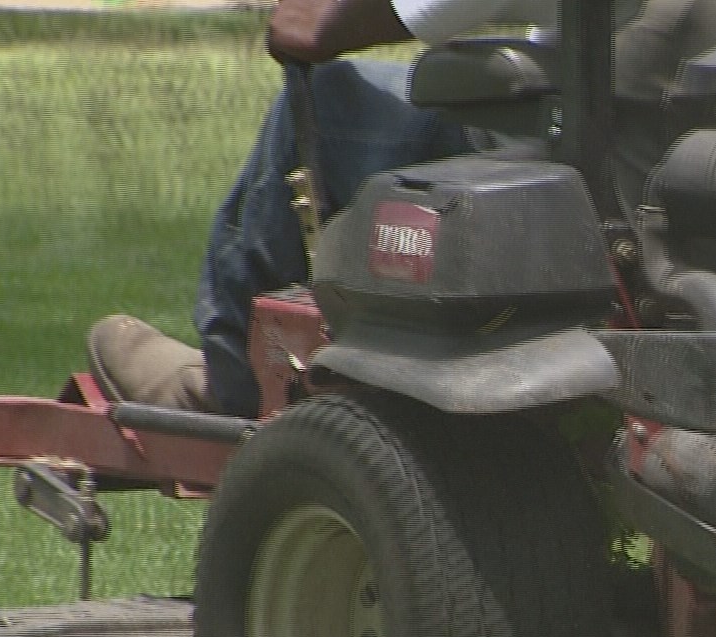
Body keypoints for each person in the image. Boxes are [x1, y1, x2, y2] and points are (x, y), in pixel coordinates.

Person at [87, 0, 561, 419]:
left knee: (334, 93)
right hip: (627, 176)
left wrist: (314, 14)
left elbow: (336, 24)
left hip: (563, 157)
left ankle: (237, 379)